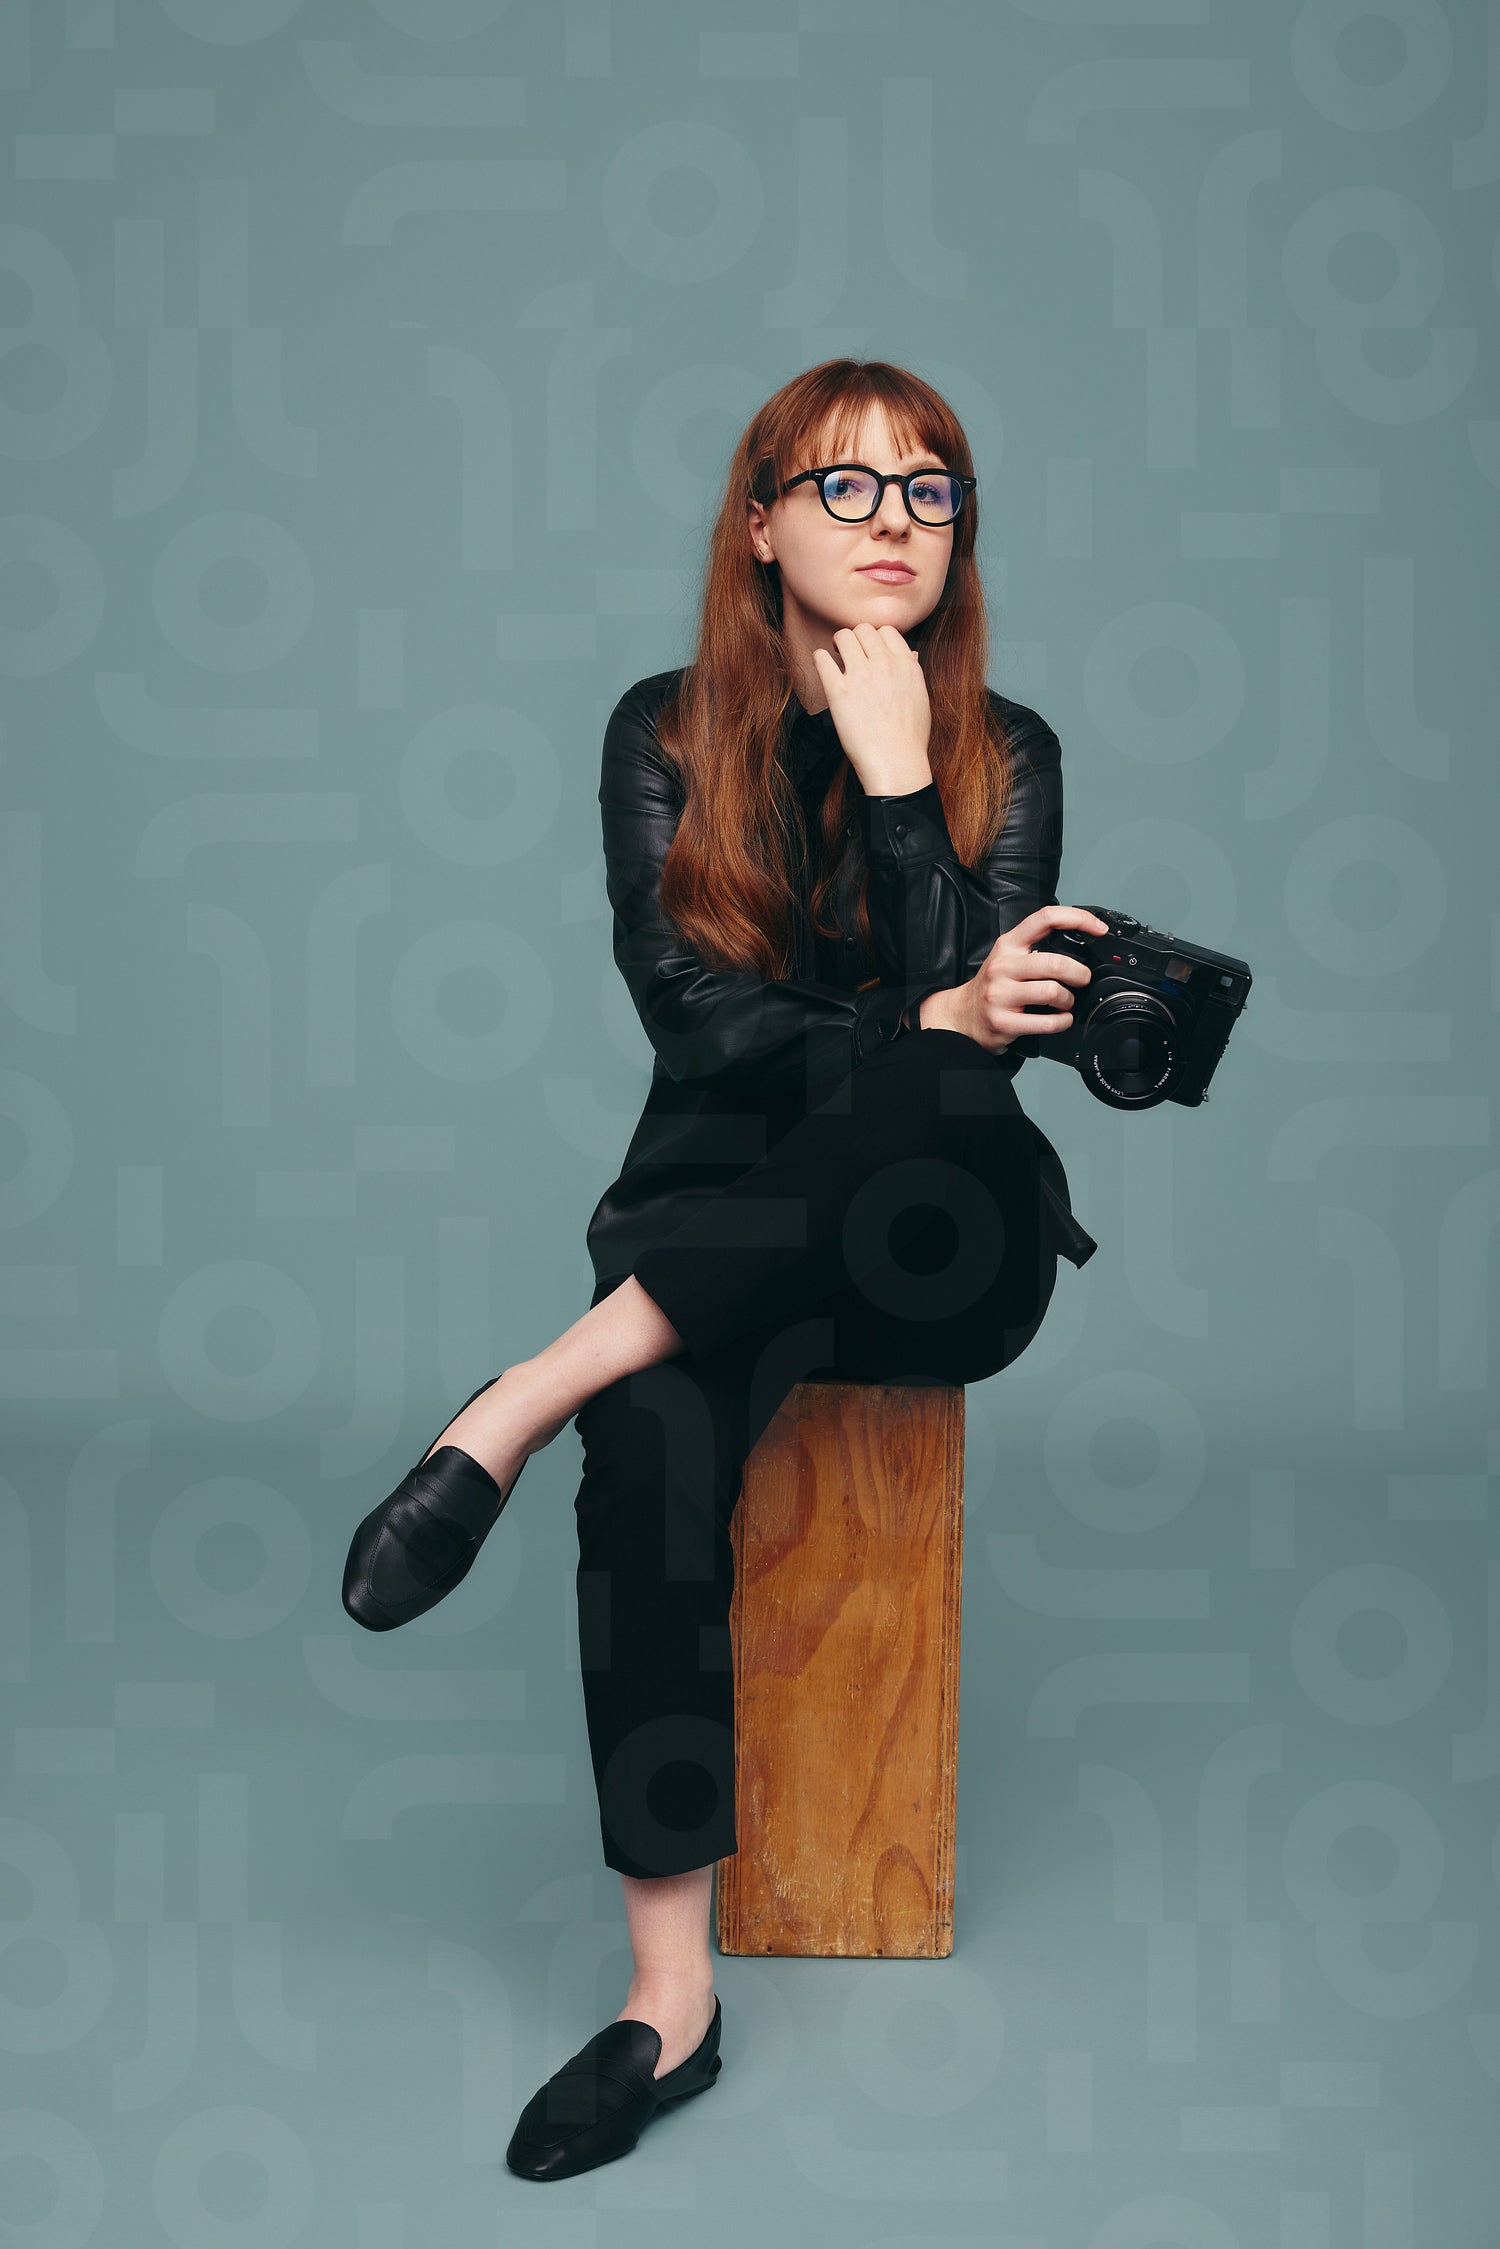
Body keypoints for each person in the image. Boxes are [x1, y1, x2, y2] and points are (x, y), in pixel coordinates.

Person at [341, 357, 1109, 2183]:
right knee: (653, 1441)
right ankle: (667, 2001)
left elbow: (977, 1072)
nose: (895, 521)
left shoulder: (1008, 751)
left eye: (930, 489)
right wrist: (932, 1015)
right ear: (759, 524)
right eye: (845, 485)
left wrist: (905, 785)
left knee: (935, 1086)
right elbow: (693, 1018)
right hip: (715, 1239)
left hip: (944, 1248)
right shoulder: (665, 733)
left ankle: (519, 1394)